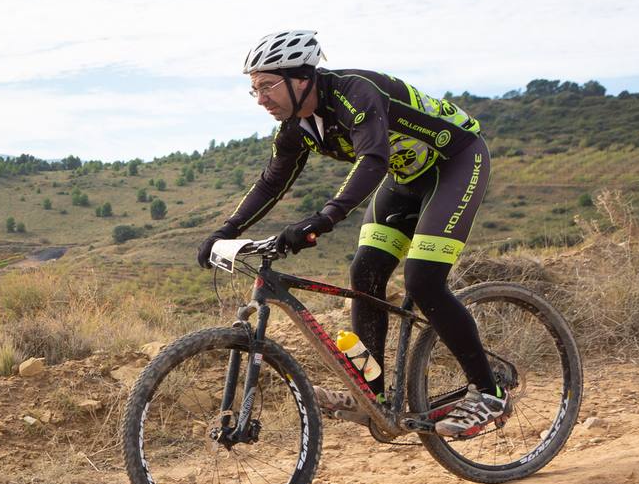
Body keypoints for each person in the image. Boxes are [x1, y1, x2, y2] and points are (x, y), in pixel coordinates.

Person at [198, 30, 509, 438]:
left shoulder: (353, 94)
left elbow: (373, 159)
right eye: (254, 90)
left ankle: (488, 393)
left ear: (301, 78)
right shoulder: (296, 127)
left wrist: (323, 218)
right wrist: (225, 231)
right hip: (405, 178)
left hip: (455, 163)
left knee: (422, 278)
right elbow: (271, 183)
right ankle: (371, 393)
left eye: (267, 86)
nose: (261, 99)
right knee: (365, 273)